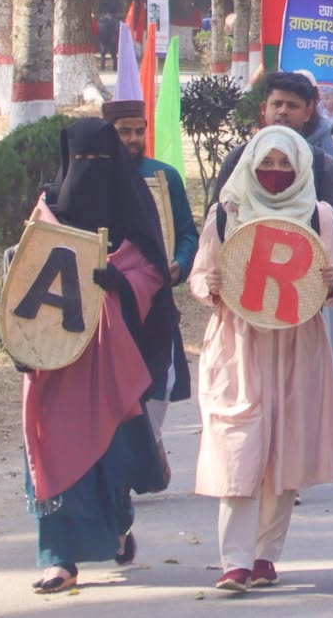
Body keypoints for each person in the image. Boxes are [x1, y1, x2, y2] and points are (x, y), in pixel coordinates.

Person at [189, 126, 333, 594]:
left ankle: (264, 555)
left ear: (300, 169)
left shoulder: (319, 216)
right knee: (239, 447)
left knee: (285, 448)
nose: (275, 173)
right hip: (238, 344)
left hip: (298, 345)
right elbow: (201, 276)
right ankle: (234, 561)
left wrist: (329, 279)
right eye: (267, 163)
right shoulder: (226, 212)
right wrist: (210, 285)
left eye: (285, 165)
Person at [21, 120, 175, 593]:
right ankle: (59, 559)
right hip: (55, 360)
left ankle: (119, 523)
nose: (89, 172)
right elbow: (26, 276)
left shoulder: (134, 207)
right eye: (81, 162)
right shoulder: (46, 210)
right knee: (52, 452)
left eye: (99, 162)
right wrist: (22, 342)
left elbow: (151, 273)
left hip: (114, 359)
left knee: (112, 459)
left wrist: (120, 285)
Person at [102, 98, 197, 442]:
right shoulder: (93, 177)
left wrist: (180, 264)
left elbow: (186, 233)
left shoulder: (164, 177)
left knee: (162, 378)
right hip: (110, 298)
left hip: (156, 297)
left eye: (139, 131)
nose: (133, 139)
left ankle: (150, 447)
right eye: (124, 131)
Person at [213, 72, 333, 251]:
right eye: (277, 104)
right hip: (243, 261)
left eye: (292, 106)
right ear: (264, 108)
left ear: (307, 112)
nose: (283, 111)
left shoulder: (322, 164)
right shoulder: (239, 159)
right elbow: (218, 214)